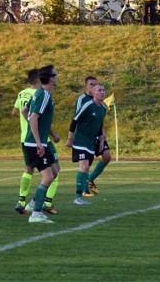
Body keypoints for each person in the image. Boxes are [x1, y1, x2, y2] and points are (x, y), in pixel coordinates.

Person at [14, 69, 59, 216]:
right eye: (56, 74)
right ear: (51, 79)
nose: (58, 77)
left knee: (53, 172)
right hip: (35, 143)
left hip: (35, 142)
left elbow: (23, 111)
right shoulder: (44, 94)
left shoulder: (40, 93)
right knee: (48, 177)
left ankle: (33, 205)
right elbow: (32, 117)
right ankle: (36, 213)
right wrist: (38, 141)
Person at [66, 76, 111, 197]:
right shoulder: (83, 100)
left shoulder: (102, 107)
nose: (95, 88)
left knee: (107, 157)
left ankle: (90, 179)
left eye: (101, 88)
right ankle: (83, 191)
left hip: (95, 135)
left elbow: (100, 122)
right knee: (85, 165)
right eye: (91, 85)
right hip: (84, 137)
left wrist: (102, 137)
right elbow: (77, 118)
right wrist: (70, 138)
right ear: (87, 86)